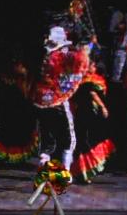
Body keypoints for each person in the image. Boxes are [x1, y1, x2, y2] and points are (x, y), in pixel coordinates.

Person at [32, 26, 92, 174]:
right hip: (57, 101)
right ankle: (65, 172)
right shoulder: (61, 56)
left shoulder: (44, 57)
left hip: (40, 102)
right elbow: (80, 60)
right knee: (69, 139)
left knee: (47, 139)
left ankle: (43, 168)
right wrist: (86, 46)